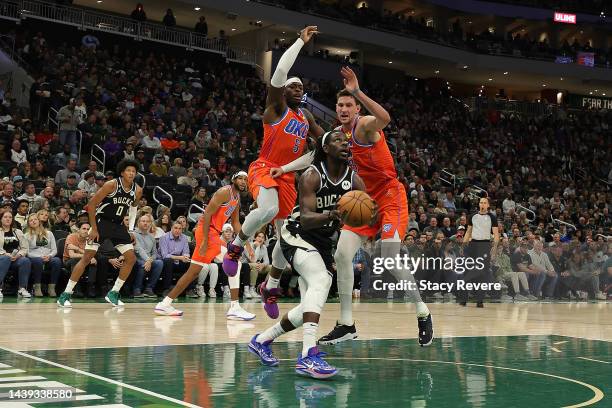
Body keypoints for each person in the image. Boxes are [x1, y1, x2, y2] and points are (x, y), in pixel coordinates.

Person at [312, 68, 432, 346]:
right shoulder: (336, 137)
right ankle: (346, 324)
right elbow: (314, 154)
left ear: (356, 109)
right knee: (342, 255)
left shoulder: (364, 125)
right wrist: (283, 168)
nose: (343, 109)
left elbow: (385, 118)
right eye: (340, 105)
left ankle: (422, 312)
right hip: (363, 200)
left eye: (348, 105)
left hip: (390, 196)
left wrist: (356, 91)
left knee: (389, 258)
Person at [249, 130, 365, 378]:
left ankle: (261, 340)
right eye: (338, 140)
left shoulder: (354, 181)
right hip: (297, 234)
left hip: (322, 243)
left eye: (346, 141)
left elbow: (366, 212)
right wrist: (333, 215)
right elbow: (308, 219)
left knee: (308, 305)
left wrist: (365, 214)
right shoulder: (312, 176)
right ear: (325, 149)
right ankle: (307, 356)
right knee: (322, 281)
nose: (345, 143)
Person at [223, 26, 324, 288]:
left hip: (289, 175)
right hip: (265, 167)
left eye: (301, 87)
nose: (298, 90)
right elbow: (280, 72)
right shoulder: (276, 108)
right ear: (284, 91)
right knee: (267, 209)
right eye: (293, 86)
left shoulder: (306, 116)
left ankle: (270, 286)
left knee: (286, 235)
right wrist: (300, 42)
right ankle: (235, 247)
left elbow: (325, 140)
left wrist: (350, 139)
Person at [155, 172, 253, 319]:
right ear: (233, 179)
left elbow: (236, 223)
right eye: (240, 178)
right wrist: (205, 240)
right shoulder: (224, 192)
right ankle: (234, 307)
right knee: (234, 262)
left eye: (246, 179)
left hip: (212, 233)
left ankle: (165, 304)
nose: (243, 181)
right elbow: (206, 215)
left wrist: (248, 246)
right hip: (207, 232)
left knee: (193, 272)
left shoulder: (236, 197)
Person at [57, 159, 142, 308]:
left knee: (131, 258)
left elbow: (133, 209)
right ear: (122, 172)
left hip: (118, 225)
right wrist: (94, 228)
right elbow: (91, 204)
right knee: (86, 258)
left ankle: (113, 293)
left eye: (134, 171)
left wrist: (130, 230)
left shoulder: (138, 190)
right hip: (101, 223)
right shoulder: (111, 185)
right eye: (128, 170)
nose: (131, 173)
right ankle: (66, 294)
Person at [460, 196, 500, 307]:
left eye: (484, 203)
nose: (482, 204)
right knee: (467, 271)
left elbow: (496, 234)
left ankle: (479, 300)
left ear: (488, 205)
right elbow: (468, 232)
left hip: (485, 245)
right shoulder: (472, 216)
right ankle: (463, 298)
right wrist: (463, 246)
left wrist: (495, 248)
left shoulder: (492, 217)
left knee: (483, 273)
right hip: (472, 245)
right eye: (481, 202)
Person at [25, 213, 61, 297]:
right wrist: (39, 257)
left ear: (39, 221)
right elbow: (27, 252)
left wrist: (50, 256)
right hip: (35, 257)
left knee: (57, 261)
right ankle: (37, 287)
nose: (33, 221)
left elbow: (54, 250)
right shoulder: (26, 236)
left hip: (48, 256)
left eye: (35, 219)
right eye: (31, 220)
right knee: (38, 261)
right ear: (28, 224)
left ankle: (51, 287)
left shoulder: (49, 233)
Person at [0, 211, 32, 298]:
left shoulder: (18, 232)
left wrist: (19, 255)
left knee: (25, 260)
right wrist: (5, 253)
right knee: (5, 259)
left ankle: (22, 289)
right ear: (1, 219)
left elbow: (24, 248)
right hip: (2, 258)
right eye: (5, 217)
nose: (8, 219)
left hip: (15, 259)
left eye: (10, 217)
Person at [132, 214, 162, 298]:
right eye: (143, 221)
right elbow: (138, 250)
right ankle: (136, 289)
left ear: (150, 224)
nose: (146, 223)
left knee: (159, 263)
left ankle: (149, 288)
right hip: (137, 258)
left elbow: (154, 253)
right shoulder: (133, 234)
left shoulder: (152, 237)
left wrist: (150, 260)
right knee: (142, 263)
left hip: (149, 260)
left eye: (148, 221)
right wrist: (148, 260)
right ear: (138, 223)